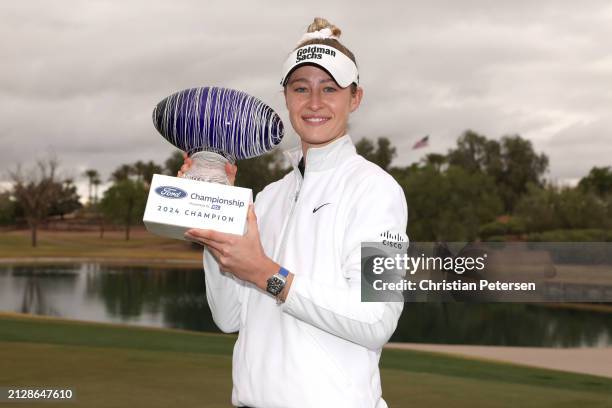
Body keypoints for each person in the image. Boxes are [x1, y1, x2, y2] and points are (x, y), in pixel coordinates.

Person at [180, 17, 408, 408]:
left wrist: (266, 274)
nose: (314, 103)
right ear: (285, 97)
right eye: (300, 88)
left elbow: (377, 321)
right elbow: (228, 318)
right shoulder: (268, 198)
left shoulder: (377, 189)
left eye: (330, 89)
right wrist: (215, 215)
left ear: (355, 98)